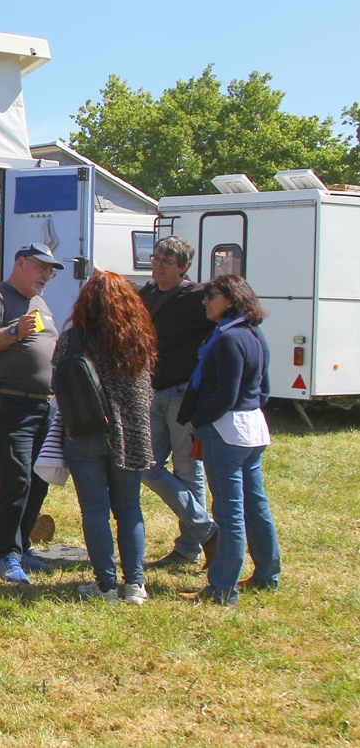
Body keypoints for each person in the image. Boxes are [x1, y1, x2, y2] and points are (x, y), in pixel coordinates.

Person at [53, 271, 156, 604]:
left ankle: (106, 585)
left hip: (86, 431)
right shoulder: (137, 339)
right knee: (129, 508)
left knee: (95, 510)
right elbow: (146, 390)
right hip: (132, 434)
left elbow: (58, 383)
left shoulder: (73, 339)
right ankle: (135, 585)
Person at [177, 274, 280, 606]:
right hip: (252, 428)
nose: (205, 301)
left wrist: (198, 419)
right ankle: (266, 575)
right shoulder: (254, 334)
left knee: (229, 512)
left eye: (212, 295)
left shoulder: (228, 338)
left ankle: (222, 588)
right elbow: (263, 390)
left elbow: (225, 394)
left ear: (232, 300)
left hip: (226, 430)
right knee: (255, 506)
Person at [0, 242, 62, 583]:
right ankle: (6, 555)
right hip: (7, 403)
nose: (46, 275)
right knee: (16, 478)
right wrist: (13, 331)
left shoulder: (40, 303)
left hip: (42, 405)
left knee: (39, 478)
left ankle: (22, 549)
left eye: (50, 271)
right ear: (21, 263)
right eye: (41, 267)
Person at [139, 237, 219, 571]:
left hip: (183, 393)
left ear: (183, 267)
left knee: (187, 470)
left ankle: (188, 548)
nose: (158, 265)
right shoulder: (146, 293)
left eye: (166, 261)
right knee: (144, 465)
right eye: (155, 258)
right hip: (150, 390)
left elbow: (227, 324)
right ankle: (206, 529)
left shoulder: (198, 296)